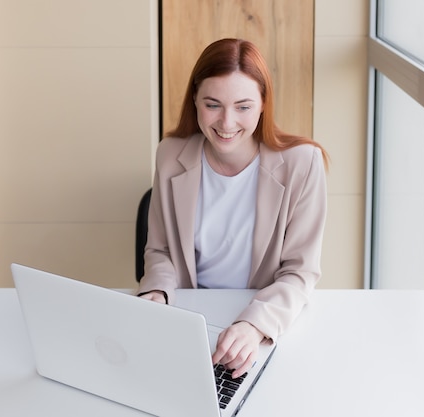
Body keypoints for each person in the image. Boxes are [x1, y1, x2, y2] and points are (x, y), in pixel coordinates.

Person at [137, 38, 328, 378]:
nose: (226, 123)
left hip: (261, 321)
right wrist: (156, 291)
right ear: (194, 99)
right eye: (213, 104)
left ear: (263, 104)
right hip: (189, 320)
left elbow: (300, 272)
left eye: (243, 106)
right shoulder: (170, 154)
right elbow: (160, 249)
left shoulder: (303, 163)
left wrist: (254, 326)